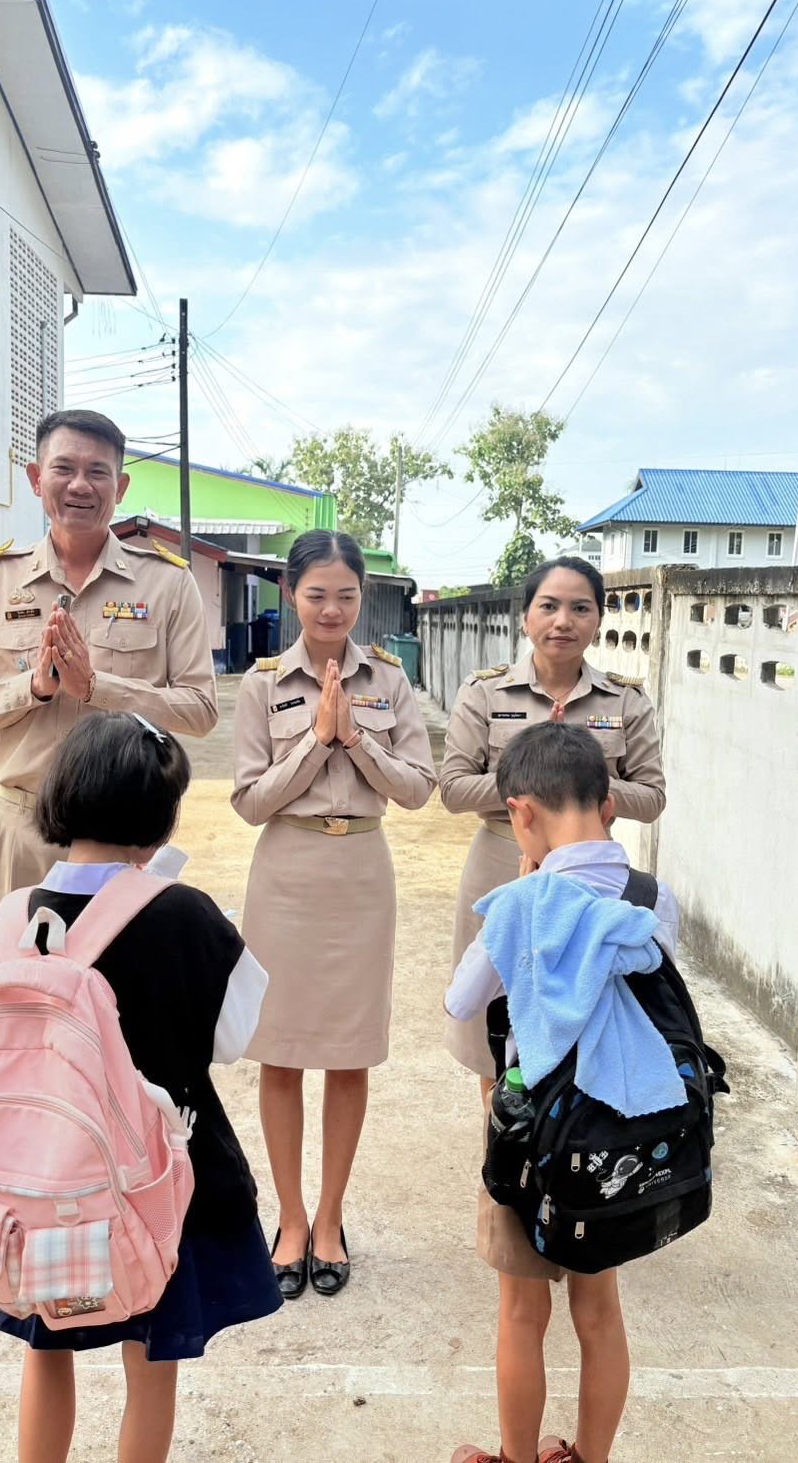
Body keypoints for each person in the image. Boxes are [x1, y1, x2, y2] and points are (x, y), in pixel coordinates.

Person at [0, 712, 281, 1463]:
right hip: (153, 1192)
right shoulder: (183, 912)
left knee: (46, 1348)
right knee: (150, 1359)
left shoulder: (13, 918)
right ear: (160, 815)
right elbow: (231, 1042)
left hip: (41, 1187)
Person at [444, 723, 680, 1463]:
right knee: (599, 1312)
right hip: (617, 1136)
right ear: (608, 805)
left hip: (532, 1138)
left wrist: (525, 894)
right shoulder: (652, 898)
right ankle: (589, 1457)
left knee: (522, 1311)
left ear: (520, 813)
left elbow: (461, 1001)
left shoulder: (522, 903)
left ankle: (518, 1457)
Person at [231, 530, 436, 1298]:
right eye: (316, 594)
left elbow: (417, 788)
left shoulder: (389, 679)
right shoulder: (262, 685)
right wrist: (318, 743)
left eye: (345, 595)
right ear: (291, 593)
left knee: (350, 1055)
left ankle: (329, 1218)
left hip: (361, 877)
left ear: (361, 597)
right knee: (280, 1053)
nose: (331, 608)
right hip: (286, 873)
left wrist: (355, 737)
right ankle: (289, 1218)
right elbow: (251, 800)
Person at [0, 408, 217, 911]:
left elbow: (200, 709)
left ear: (121, 486)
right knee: (24, 961)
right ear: (36, 478)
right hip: (25, 831)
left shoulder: (168, 582)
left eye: (97, 471)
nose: (80, 485)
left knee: (126, 963)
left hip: (128, 835)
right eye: (64, 468)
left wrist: (96, 687)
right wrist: (33, 688)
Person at [440, 556, 666, 1083]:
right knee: (495, 1027)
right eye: (549, 606)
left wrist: (584, 782)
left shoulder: (625, 700)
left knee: (586, 1020)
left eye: (580, 608)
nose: (563, 621)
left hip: (592, 879)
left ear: (598, 620)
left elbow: (652, 797)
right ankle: (500, 1132)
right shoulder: (486, 692)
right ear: (526, 617)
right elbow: (452, 788)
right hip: (501, 861)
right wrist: (538, 780)